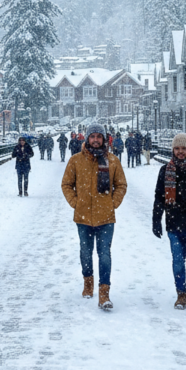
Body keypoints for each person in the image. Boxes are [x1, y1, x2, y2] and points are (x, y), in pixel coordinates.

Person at [61, 123, 127, 311]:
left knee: (104, 254)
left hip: (106, 217)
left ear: (104, 139)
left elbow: (121, 185)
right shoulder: (76, 160)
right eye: (93, 136)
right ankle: (88, 282)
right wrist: (76, 202)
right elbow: (66, 184)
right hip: (83, 217)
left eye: (99, 136)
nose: (96, 140)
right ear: (87, 138)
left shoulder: (112, 160)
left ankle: (104, 292)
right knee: (85, 252)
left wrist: (113, 203)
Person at [153, 134, 186, 309]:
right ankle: (181, 293)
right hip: (174, 222)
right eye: (177, 148)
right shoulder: (165, 170)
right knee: (178, 260)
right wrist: (156, 220)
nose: (180, 152)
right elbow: (159, 197)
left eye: (184, 148)